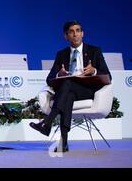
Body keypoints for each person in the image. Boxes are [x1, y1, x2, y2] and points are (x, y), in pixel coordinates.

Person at [29, 20, 111, 152]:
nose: (75, 34)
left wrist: (94, 70)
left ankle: (47, 122)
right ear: (66, 36)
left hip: (87, 91)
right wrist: (59, 74)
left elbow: (108, 76)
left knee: (67, 85)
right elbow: (49, 79)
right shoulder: (61, 54)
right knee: (68, 93)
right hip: (68, 92)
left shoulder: (95, 51)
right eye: (71, 32)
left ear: (83, 34)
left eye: (78, 31)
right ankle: (63, 143)